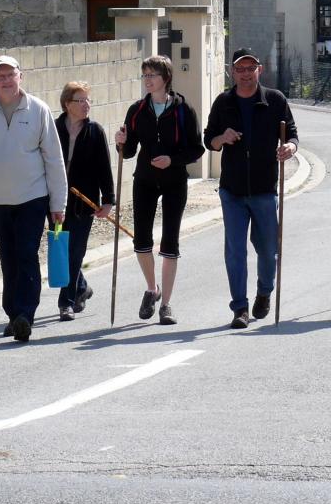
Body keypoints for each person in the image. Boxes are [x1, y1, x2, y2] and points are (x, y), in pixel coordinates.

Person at [0, 55, 67, 342]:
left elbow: (54, 159)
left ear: (21, 76)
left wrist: (58, 203)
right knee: (8, 257)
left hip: (33, 195)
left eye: (11, 75)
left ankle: (25, 314)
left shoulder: (38, 110)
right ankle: (13, 314)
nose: (6, 81)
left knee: (26, 253)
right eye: (1, 76)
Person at [203, 48, 298, 330]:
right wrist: (223, 137)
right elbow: (209, 139)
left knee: (268, 249)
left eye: (250, 68)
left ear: (259, 70)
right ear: (233, 72)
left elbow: (291, 132)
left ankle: (265, 291)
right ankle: (240, 308)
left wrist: (290, 147)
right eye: (240, 69)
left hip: (264, 188)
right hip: (231, 190)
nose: (245, 74)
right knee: (235, 251)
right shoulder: (224, 102)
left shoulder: (274, 100)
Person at [115, 55, 204, 326]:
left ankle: (166, 305)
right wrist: (121, 143)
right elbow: (129, 152)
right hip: (144, 179)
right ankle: (152, 289)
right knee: (141, 241)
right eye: (145, 75)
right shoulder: (137, 110)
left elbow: (196, 149)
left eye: (152, 75)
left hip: (174, 180)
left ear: (166, 78)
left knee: (170, 241)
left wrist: (172, 160)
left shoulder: (182, 108)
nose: (148, 80)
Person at [54, 81, 115, 322]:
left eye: (88, 100)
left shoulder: (95, 131)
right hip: (57, 200)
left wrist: (108, 200)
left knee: (75, 251)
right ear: (68, 104)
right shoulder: (53, 128)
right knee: (61, 250)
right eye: (81, 100)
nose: (86, 105)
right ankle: (81, 287)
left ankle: (65, 302)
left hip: (84, 202)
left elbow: (104, 168)